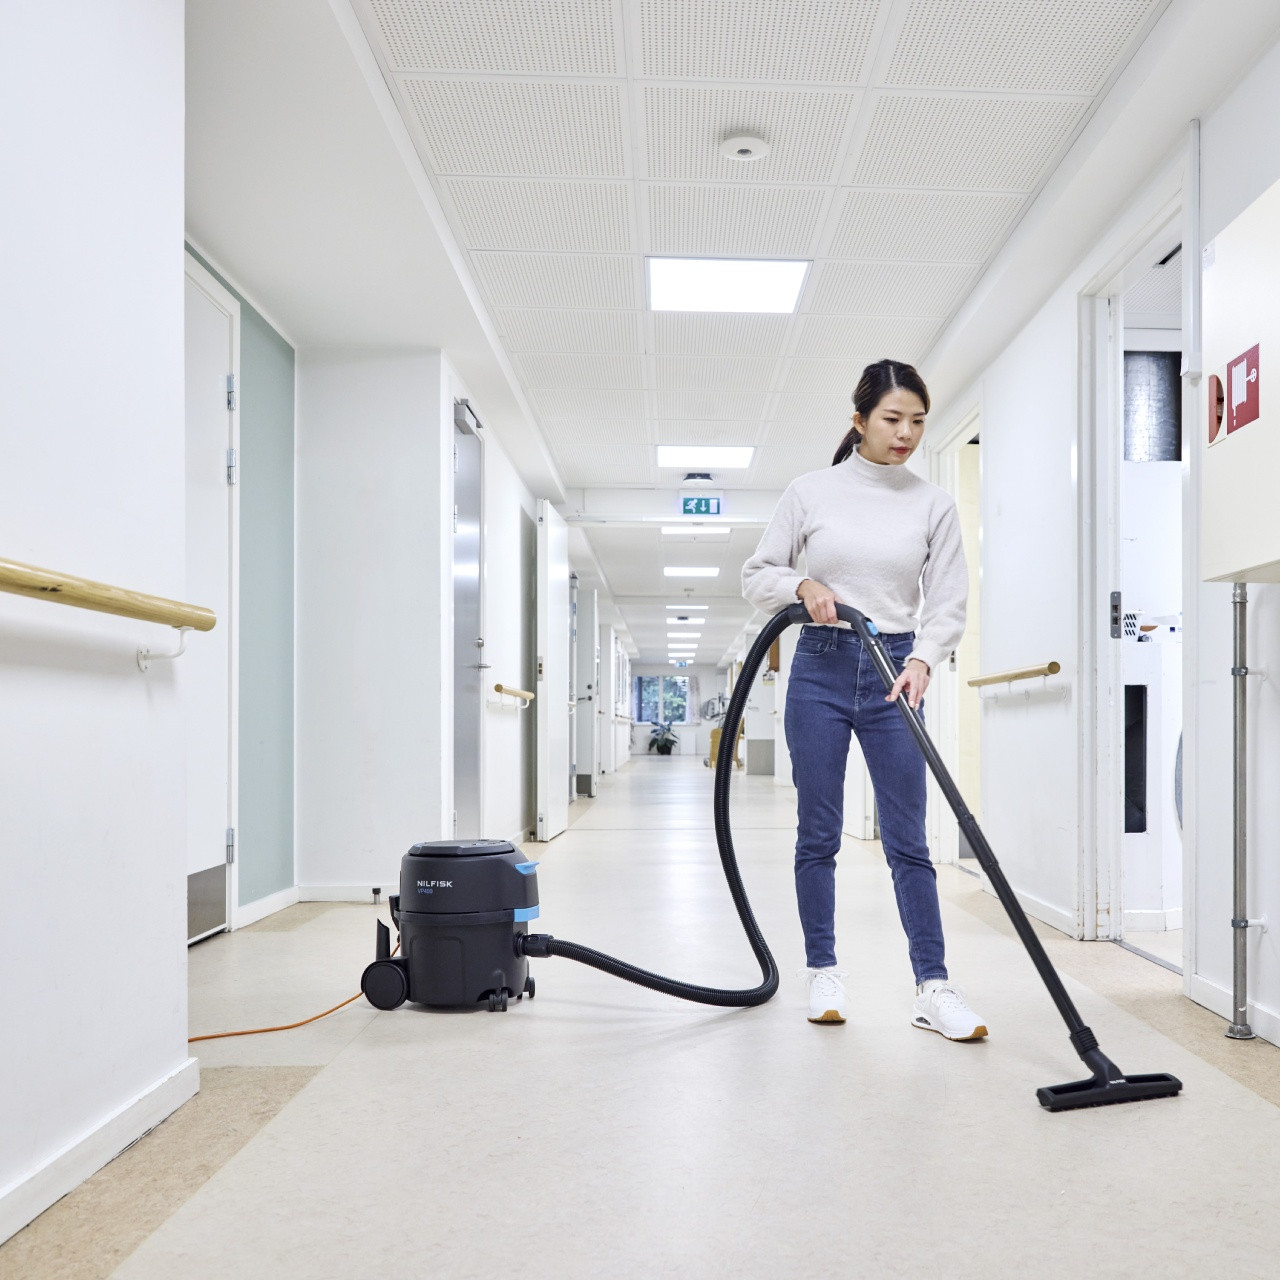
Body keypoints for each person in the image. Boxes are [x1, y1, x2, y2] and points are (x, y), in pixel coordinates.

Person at [741, 359, 986, 1040]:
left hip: (894, 669)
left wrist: (925, 660)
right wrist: (802, 587)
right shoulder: (811, 491)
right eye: (891, 419)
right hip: (819, 665)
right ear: (859, 422)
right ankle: (824, 971)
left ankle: (933, 987)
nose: (906, 433)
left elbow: (949, 598)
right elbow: (757, 572)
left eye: (917, 422)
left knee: (909, 841)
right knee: (818, 834)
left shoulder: (932, 504)